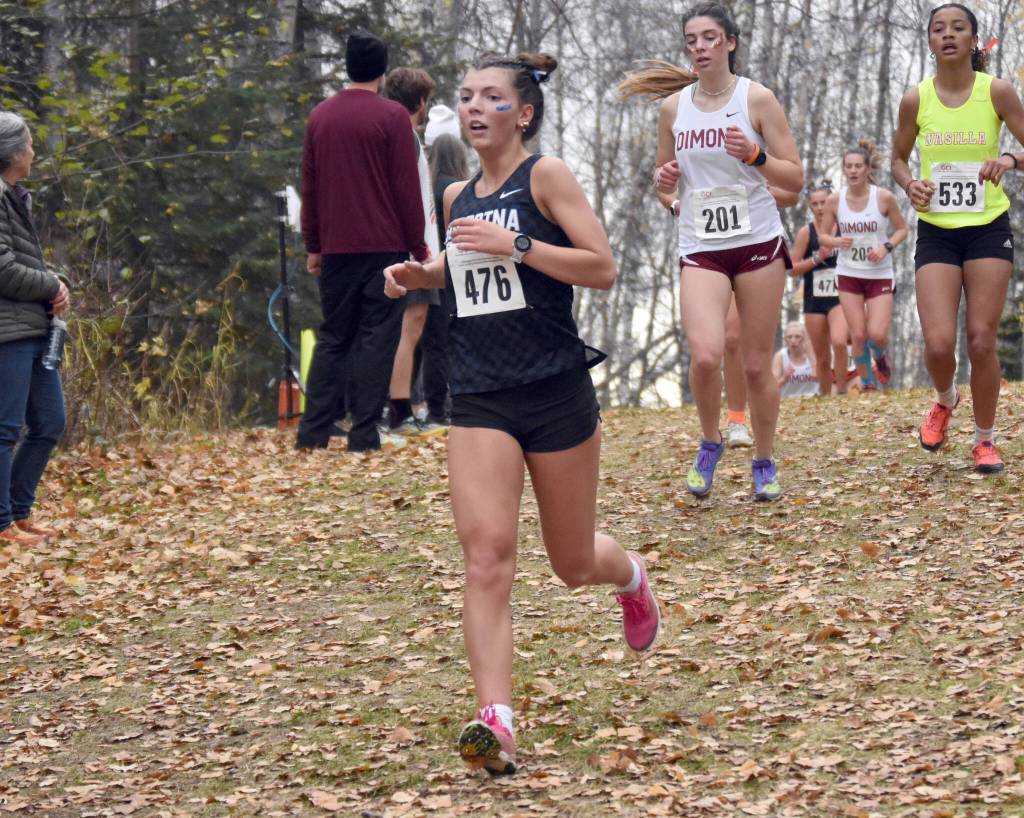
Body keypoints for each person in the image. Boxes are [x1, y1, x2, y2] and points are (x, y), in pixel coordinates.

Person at [383, 51, 660, 776]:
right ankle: (496, 719)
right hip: (478, 393)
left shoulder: (548, 177)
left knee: (571, 563)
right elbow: (463, 259)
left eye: (491, 98)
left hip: (553, 388)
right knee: (485, 558)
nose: (474, 108)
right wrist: (424, 274)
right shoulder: (453, 195)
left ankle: (628, 576)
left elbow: (601, 267)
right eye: (467, 97)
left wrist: (523, 244)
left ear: (523, 113)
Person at [621, 2, 804, 501]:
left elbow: (794, 177)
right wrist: (667, 188)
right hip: (701, 244)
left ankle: (764, 461)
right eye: (691, 40)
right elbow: (665, 185)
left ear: (730, 43)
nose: (699, 47)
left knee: (754, 363)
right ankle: (709, 442)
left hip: (757, 243)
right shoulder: (673, 108)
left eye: (708, 38)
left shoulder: (757, 99)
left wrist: (755, 155)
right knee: (704, 355)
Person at [892, 2, 1023, 473]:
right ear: (929, 41)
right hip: (938, 233)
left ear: (973, 39)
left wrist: (1007, 160)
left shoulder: (998, 92)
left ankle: (985, 439)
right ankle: (945, 399)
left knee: (981, 340)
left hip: (987, 227)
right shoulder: (916, 99)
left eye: (958, 27)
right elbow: (898, 159)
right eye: (938, 29)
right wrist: (911, 185)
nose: (948, 35)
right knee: (939, 343)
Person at [295, 29, 428, 452]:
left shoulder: (321, 117)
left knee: (334, 335)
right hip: (384, 247)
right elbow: (406, 189)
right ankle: (364, 433)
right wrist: (419, 247)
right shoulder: (391, 117)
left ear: (347, 66)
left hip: (336, 247)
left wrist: (313, 245)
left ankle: (313, 430)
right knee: (378, 336)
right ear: (382, 70)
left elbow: (310, 186)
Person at [0, 112, 70, 546]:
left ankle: (19, 512)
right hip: (7, 332)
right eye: (29, 144)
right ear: (10, 152)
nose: (34, 152)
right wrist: (51, 285)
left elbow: (24, 263)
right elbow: (3, 269)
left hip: (32, 328)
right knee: (5, 429)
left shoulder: (13, 197)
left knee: (48, 422)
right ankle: (2, 524)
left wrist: (59, 283)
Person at [817, 141, 907, 392]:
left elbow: (902, 229)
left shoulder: (883, 197)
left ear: (868, 169)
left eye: (858, 166)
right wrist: (836, 241)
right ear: (844, 170)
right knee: (857, 335)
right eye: (848, 166)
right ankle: (868, 384)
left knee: (876, 334)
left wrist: (886, 247)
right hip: (849, 273)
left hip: (879, 273)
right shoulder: (835, 201)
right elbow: (823, 236)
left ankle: (879, 356)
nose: (853, 171)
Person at [382, 67, 440, 433]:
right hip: (411, 242)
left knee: (401, 326)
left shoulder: (389, 132)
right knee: (411, 323)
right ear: (420, 102)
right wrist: (421, 250)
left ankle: (392, 408)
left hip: (401, 239)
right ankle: (398, 409)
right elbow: (412, 194)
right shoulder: (404, 134)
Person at [419, 133, 471, 426]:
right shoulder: (456, 190)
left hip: (429, 268)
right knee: (444, 343)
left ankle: (435, 404)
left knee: (432, 344)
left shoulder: (427, 191)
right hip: (452, 272)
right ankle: (442, 407)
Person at [789, 181, 849, 395]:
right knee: (822, 355)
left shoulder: (844, 227)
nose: (820, 207)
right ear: (810, 207)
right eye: (815, 204)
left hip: (841, 295)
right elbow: (792, 268)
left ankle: (841, 392)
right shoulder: (807, 233)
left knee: (840, 342)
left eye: (824, 202)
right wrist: (816, 258)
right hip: (814, 297)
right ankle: (826, 396)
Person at [772, 321, 818, 398]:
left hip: (813, 399)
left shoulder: (813, 355)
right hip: (788, 401)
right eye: (789, 337)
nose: (793, 341)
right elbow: (772, 388)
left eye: (797, 337)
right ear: (785, 339)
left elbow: (827, 381)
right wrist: (784, 378)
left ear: (804, 338)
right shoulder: (780, 356)